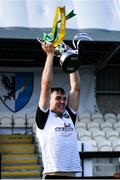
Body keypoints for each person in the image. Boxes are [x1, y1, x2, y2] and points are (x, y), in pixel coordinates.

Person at [35, 42, 82, 179]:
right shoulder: (44, 117)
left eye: (64, 98)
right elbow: (46, 85)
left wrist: (70, 57)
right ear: (49, 101)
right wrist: (50, 55)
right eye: (58, 98)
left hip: (72, 174)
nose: (62, 101)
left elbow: (76, 87)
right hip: (53, 175)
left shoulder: (69, 115)